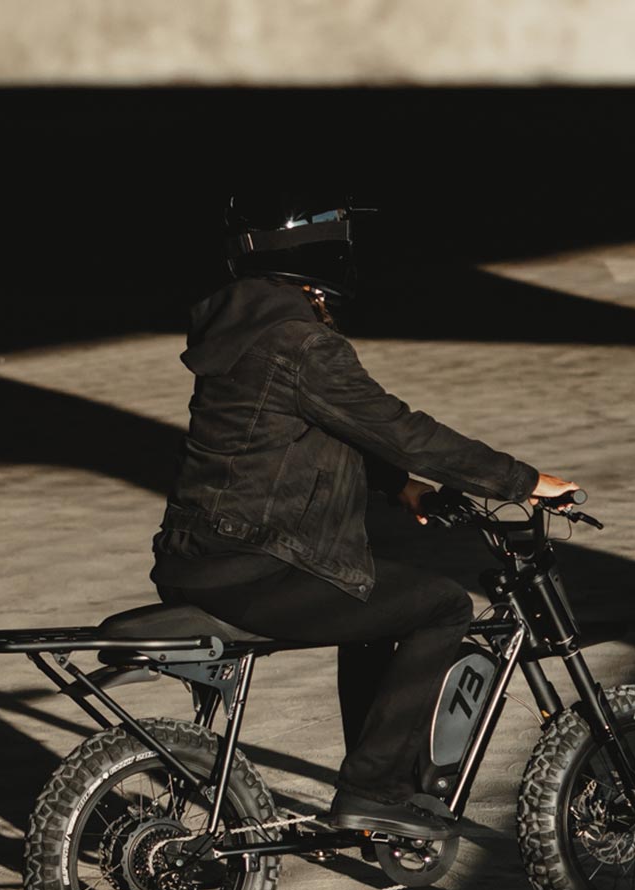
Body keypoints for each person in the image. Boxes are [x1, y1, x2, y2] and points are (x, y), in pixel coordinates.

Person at [151, 193, 577, 841]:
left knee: (372, 606)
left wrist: (400, 489)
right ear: (313, 247)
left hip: (202, 555)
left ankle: (379, 789)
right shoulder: (300, 342)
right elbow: (396, 427)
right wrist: (523, 481)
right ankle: (373, 790)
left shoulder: (246, 330)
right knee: (441, 606)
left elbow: (291, 433)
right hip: (258, 563)